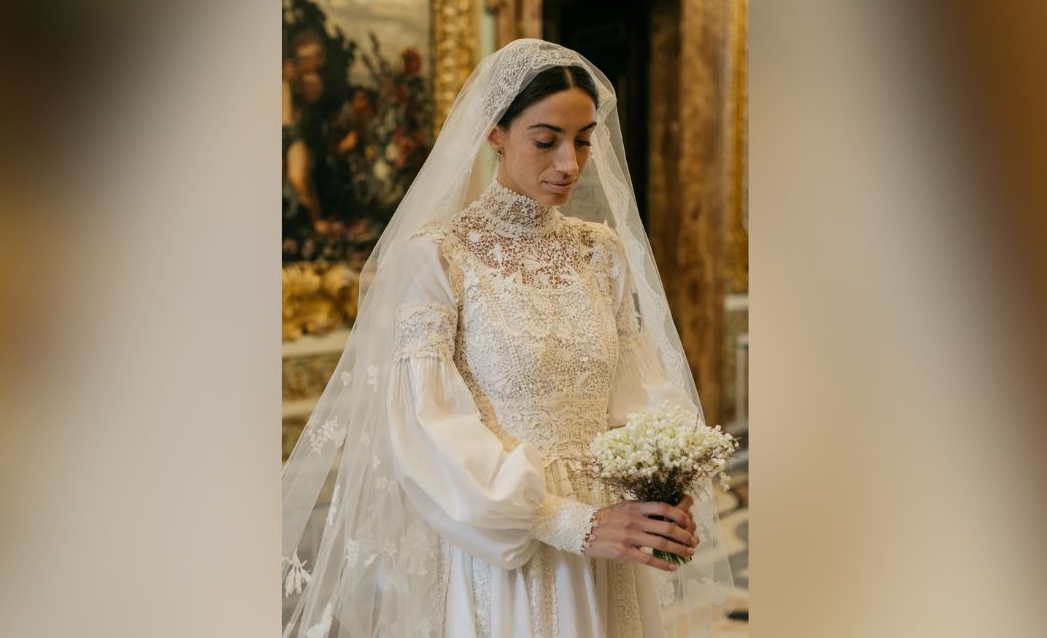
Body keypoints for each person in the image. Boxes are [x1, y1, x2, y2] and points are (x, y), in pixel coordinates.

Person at [282, 39, 733, 637]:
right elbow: (426, 425)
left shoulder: (602, 254)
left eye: (583, 139)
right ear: (494, 133)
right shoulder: (439, 257)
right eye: (545, 141)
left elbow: (638, 391)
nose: (569, 164)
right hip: (510, 547)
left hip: (610, 542)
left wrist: (663, 491)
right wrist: (569, 522)